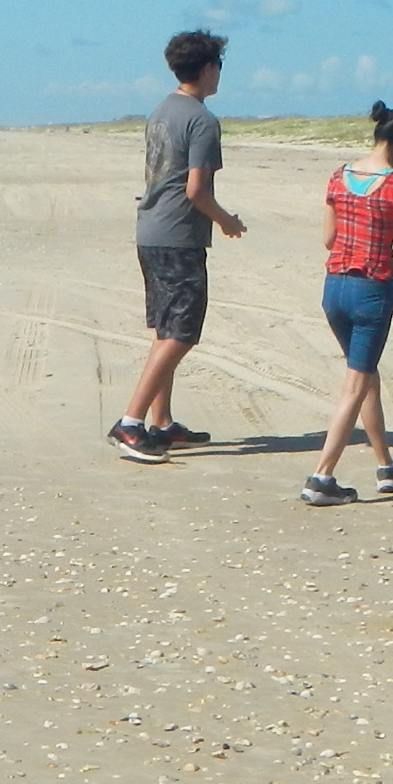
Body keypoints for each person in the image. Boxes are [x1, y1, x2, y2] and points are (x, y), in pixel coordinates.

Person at [117, 28, 247, 461]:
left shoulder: (161, 110)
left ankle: (162, 422)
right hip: (176, 235)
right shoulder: (201, 119)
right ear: (208, 69)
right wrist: (228, 221)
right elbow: (197, 190)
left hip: (150, 231)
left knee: (165, 328)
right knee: (182, 332)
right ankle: (131, 422)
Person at [300, 105, 393, 503]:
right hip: (371, 289)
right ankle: (322, 475)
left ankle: (385, 466)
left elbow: (328, 238)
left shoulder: (339, 178)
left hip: (334, 287)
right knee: (356, 384)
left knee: (365, 373)